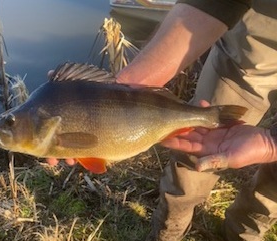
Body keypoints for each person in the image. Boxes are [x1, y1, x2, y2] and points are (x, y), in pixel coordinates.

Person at [115, 0, 277, 240]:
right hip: (250, 57)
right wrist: (136, 80)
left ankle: (245, 233)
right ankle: (169, 229)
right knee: (196, 153)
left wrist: (272, 145)